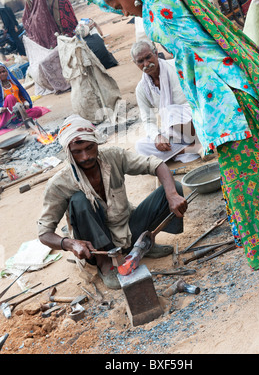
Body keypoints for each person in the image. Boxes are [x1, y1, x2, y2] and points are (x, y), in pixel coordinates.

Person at [52, 0, 259, 290]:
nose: (120, 13)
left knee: (256, 180)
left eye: (120, 4)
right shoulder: (153, 10)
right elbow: (108, 0)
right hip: (230, 101)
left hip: (233, 99)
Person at [37, 114, 187, 290]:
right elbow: (44, 233)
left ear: (96, 143)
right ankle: (105, 264)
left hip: (128, 229)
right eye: (77, 152)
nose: (85, 157)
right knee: (78, 200)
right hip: (97, 247)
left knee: (173, 187)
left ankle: (143, 244)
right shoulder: (59, 183)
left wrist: (171, 194)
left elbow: (155, 164)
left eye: (89, 148)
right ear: (68, 152)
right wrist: (71, 244)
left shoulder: (113, 156)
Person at [132, 39, 202, 162]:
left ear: (156, 53)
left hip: (196, 124)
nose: (146, 64)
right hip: (173, 133)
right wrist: (157, 136)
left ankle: (200, 142)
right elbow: (147, 119)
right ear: (135, 63)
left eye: (148, 57)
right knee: (141, 147)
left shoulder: (176, 66)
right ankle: (195, 149)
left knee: (170, 112)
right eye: (140, 61)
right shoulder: (141, 88)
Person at [0, 63, 46, 130]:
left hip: (19, 110)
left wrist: (25, 103)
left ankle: (18, 119)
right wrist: (1, 109)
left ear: (7, 71)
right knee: (10, 97)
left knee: (38, 111)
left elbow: (21, 95)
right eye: (0, 72)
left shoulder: (12, 82)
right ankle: (10, 121)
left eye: (3, 71)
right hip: (6, 114)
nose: (2, 74)